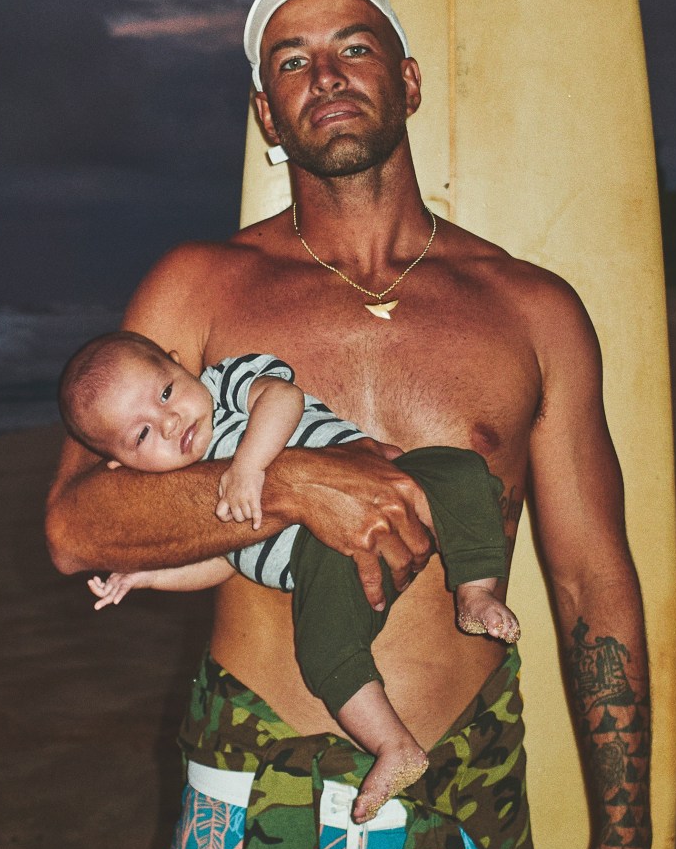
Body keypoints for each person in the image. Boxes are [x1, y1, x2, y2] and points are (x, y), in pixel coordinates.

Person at [46, 0, 659, 849]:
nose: (326, 74)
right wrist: (290, 484)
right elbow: (77, 522)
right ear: (267, 115)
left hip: (461, 818)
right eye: (293, 59)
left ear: (408, 79)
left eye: (355, 46)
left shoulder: (530, 307)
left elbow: (594, 582)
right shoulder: (201, 289)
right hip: (243, 815)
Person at [56, 329, 520, 820]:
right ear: (120, 465)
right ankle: (395, 747)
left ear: (179, 363)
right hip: (322, 564)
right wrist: (148, 576)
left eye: (166, 392)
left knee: (463, 472)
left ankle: (475, 593)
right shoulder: (184, 493)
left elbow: (282, 396)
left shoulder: (223, 384)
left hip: (394, 485)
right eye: (142, 434)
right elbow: (220, 564)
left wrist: (252, 468)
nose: (169, 422)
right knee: (325, 650)